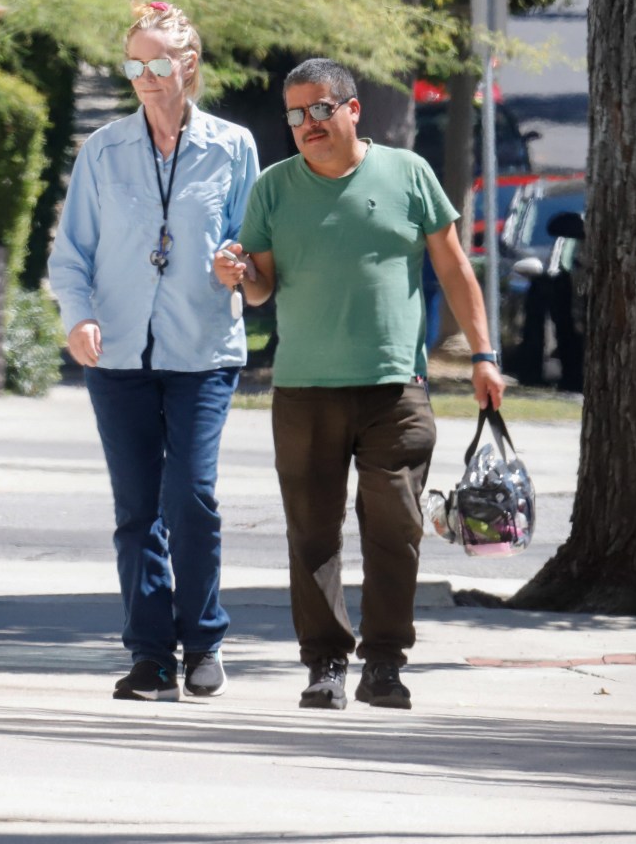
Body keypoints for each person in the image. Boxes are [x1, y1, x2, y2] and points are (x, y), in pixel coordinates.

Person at [214, 58, 504, 711]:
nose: (308, 124)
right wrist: (236, 272)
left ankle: (384, 663)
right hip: (304, 390)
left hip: (394, 388)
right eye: (296, 114)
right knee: (313, 533)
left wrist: (483, 353)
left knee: (396, 529)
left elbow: (455, 270)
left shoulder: (408, 174)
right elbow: (261, 286)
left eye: (321, 108)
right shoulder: (273, 188)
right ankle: (324, 666)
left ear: (352, 109)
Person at [48, 1, 259, 701]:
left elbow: (253, 250)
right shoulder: (103, 149)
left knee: (191, 498)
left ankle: (203, 641)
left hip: (203, 352)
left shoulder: (233, 147)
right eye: (133, 64)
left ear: (188, 65)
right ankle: (149, 655)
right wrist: (78, 319)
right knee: (137, 509)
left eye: (157, 63)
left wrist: (240, 266)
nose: (144, 76)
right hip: (118, 358)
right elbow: (71, 254)